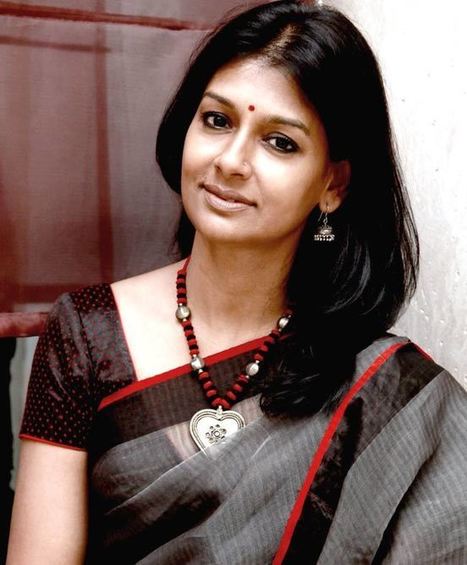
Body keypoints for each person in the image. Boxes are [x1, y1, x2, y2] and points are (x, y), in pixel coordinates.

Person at [7, 1, 467, 563]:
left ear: (334, 185)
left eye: (280, 142)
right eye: (217, 120)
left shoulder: (385, 393)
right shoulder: (86, 334)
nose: (230, 161)